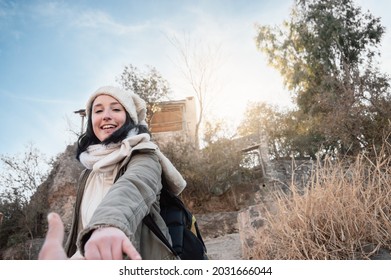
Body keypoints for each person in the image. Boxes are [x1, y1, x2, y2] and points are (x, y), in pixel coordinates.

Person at [39, 85, 186, 260]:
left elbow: (134, 185)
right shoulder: (87, 174)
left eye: (116, 109)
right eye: (98, 111)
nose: (106, 115)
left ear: (129, 118)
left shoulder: (145, 155)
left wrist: (107, 224)